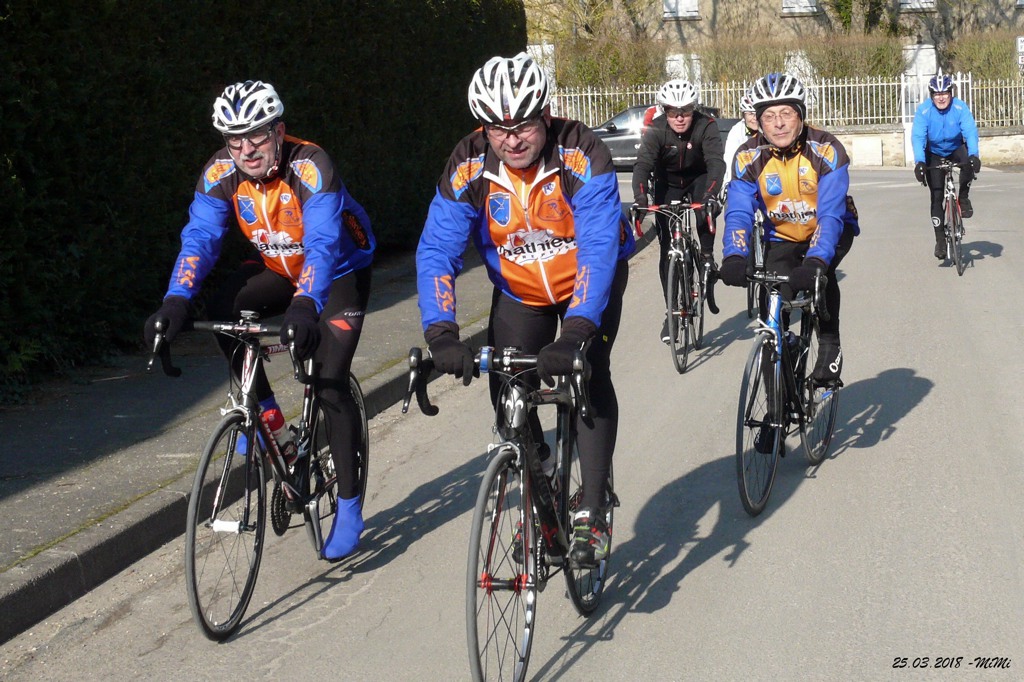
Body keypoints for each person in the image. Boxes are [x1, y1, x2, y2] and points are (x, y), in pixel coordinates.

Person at [416, 53, 634, 569]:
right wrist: (441, 332)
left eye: (523, 127)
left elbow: (599, 245)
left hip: (587, 280)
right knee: (507, 385)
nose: (511, 140)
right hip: (520, 290)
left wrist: (576, 330)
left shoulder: (581, 150)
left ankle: (593, 508)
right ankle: (540, 481)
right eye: (497, 129)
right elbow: (438, 249)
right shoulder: (468, 163)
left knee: (588, 371)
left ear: (546, 115)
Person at [143, 80, 376, 561]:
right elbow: (200, 238)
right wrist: (175, 302)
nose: (246, 149)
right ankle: (268, 417)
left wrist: (305, 306)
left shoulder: (310, 165)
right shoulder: (220, 173)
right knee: (223, 311)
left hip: (338, 272)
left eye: (256, 135)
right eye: (234, 139)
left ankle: (350, 506)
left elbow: (323, 244)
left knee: (329, 382)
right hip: (279, 268)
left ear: (279, 132)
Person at [718, 72, 859, 386]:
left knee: (820, 276)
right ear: (759, 122)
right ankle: (777, 399)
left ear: (801, 116)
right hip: (781, 235)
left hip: (830, 229)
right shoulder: (747, 156)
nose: (778, 123)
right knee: (772, 314)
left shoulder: (826, 149)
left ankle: (830, 343)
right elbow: (739, 212)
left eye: (786, 113)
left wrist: (815, 261)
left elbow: (830, 215)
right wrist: (734, 256)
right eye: (769, 116)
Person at [631, 78, 726, 342]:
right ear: (665, 111)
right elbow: (643, 165)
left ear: (694, 109)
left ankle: (706, 256)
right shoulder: (656, 129)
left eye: (685, 111)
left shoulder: (706, 125)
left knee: (704, 210)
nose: (680, 117)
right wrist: (640, 198)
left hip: (699, 179)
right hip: (668, 183)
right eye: (673, 112)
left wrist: (711, 195)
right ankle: (671, 312)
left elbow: (716, 163)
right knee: (666, 249)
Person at [911, 70, 981, 259]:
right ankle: (940, 240)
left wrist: (974, 155)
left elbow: (970, 131)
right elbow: (918, 137)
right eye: (937, 94)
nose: (941, 98)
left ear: (951, 94)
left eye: (944, 93)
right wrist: (919, 162)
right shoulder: (924, 111)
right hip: (933, 152)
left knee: (968, 164)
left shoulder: (960, 108)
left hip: (955, 148)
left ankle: (963, 198)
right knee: (936, 196)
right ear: (931, 95)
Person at [722, 92, 758, 190]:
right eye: (750, 114)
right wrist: (728, 183)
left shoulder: (769, 129)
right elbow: (730, 159)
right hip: (744, 176)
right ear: (744, 115)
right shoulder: (736, 131)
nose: (755, 118)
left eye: (757, 113)